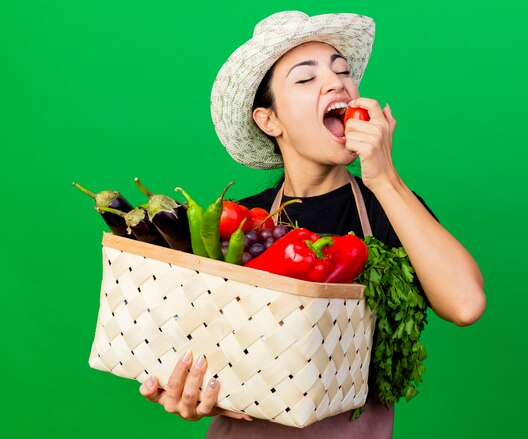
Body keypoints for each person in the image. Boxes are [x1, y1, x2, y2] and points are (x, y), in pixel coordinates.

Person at [139, 10, 486, 438]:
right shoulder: (237, 222)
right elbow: (191, 340)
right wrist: (186, 390)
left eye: (342, 70)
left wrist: (384, 177)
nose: (336, 82)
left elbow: (466, 304)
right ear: (270, 121)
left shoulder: (389, 208)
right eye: (305, 79)